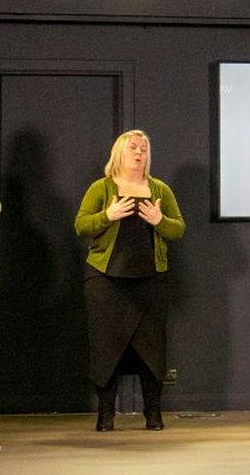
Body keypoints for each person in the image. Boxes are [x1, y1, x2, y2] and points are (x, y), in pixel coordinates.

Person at [74, 130, 185, 432]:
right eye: (133, 148)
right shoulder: (102, 188)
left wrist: (159, 221)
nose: (139, 153)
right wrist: (108, 215)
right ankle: (105, 415)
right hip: (106, 281)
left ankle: (153, 414)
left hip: (150, 281)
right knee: (106, 347)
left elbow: (178, 229)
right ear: (119, 153)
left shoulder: (159, 190)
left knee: (152, 349)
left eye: (144, 149)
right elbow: (81, 225)